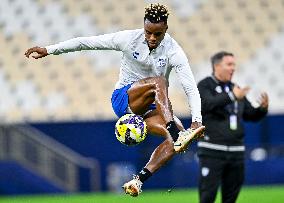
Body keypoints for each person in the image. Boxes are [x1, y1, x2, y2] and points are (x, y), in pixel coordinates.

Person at [25, 3, 205, 197]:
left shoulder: (174, 51)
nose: (152, 38)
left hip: (152, 106)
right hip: (125, 99)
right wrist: (50, 49)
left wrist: (197, 121)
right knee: (160, 84)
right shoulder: (128, 39)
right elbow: (86, 42)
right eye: (148, 32)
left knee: (176, 141)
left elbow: (190, 87)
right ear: (143, 27)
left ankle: (138, 181)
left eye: (158, 34)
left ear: (166, 29)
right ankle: (174, 131)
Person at [197, 51, 269, 203]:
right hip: (212, 151)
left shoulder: (235, 88)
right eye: (229, 64)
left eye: (234, 65)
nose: (233, 68)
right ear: (217, 66)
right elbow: (206, 104)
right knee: (207, 197)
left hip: (236, 152)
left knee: (231, 198)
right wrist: (231, 96)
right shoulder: (205, 85)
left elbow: (250, 115)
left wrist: (262, 109)